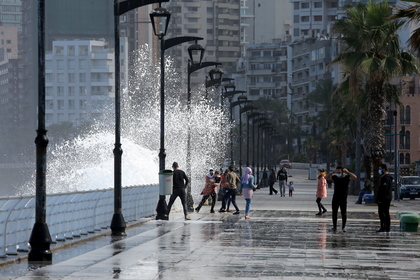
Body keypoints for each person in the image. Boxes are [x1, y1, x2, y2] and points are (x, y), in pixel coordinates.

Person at [326, 166, 357, 232]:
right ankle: (334, 227)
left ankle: (343, 227)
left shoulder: (346, 177)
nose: (338, 172)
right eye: (337, 171)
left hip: (343, 197)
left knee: (343, 212)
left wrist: (347, 172)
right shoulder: (335, 177)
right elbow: (326, 177)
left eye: (339, 171)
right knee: (334, 212)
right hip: (336, 197)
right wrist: (332, 172)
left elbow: (354, 177)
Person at [376, 163, 393, 233]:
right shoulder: (386, 177)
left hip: (384, 199)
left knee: (383, 213)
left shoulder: (386, 178)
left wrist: (380, 198)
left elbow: (384, 189)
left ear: (384, 169)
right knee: (385, 212)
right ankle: (386, 227)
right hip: (386, 198)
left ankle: (384, 227)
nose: (379, 171)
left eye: (380, 169)